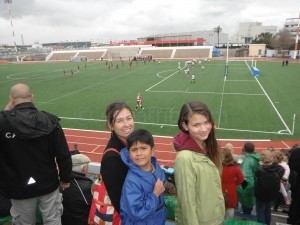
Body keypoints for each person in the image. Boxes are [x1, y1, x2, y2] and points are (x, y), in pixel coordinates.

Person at [0, 83, 72, 225]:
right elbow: (63, 154)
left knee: (24, 222)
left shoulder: (3, 122)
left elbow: (4, 116)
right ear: (32, 97)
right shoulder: (49, 120)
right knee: (52, 219)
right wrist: (65, 179)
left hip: (19, 186)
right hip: (48, 183)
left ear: (11, 99)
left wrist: (9, 106)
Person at [173, 100, 225, 225]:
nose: (203, 129)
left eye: (206, 122)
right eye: (196, 125)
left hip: (213, 218)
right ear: (185, 126)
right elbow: (187, 204)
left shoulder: (209, 145)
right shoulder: (185, 158)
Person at [120, 129, 167, 225]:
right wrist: (155, 194)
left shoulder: (156, 167)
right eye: (134, 150)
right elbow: (136, 213)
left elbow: (161, 180)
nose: (139, 153)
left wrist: (167, 185)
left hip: (158, 219)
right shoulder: (131, 181)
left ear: (152, 151)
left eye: (143, 148)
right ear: (129, 154)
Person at [98, 101, 135, 223]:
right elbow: (121, 202)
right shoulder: (112, 158)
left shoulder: (130, 144)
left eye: (129, 118)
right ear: (110, 125)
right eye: (119, 121)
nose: (126, 124)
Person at [61, 154, 93, 225]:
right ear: (84, 168)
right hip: (80, 221)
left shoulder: (61, 180)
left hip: (63, 220)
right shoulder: (87, 186)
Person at [255, 150, 284, 225]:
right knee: (268, 210)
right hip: (272, 194)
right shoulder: (280, 169)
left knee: (260, 211)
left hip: (261, 195)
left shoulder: (260, 170)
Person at [237, 141, 260, 215]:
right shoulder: (256, 157)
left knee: (246, 209)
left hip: (248, 189)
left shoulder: (247, 160)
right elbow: (239, 164)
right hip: (255, 185)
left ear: (244, 149)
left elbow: (246, 179)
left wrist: (240, 190)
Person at [222, 148, 244, 218]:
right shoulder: (235, 167)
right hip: (231, 190)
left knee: (220, 209)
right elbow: (241, 179)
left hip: (218, 189)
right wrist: (233, 183)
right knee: (230, 208)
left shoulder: (217, 166)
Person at [287, 146, 300, 225]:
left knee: (295, 201)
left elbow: (290, 165)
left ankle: (292, 219)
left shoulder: (295, 151)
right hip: (296, 182)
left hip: (296, 182)